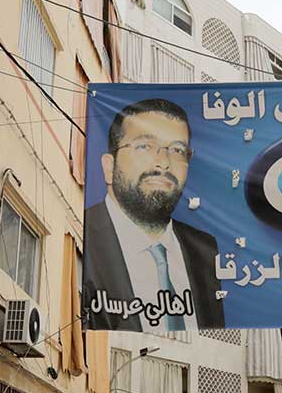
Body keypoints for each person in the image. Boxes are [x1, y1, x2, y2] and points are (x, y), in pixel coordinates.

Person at [84, 98, 225, 331]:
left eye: (177, 150)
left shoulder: (206, 252)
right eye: (144, 146)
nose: (163, 163)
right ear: (109, 167)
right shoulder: (81, 233)